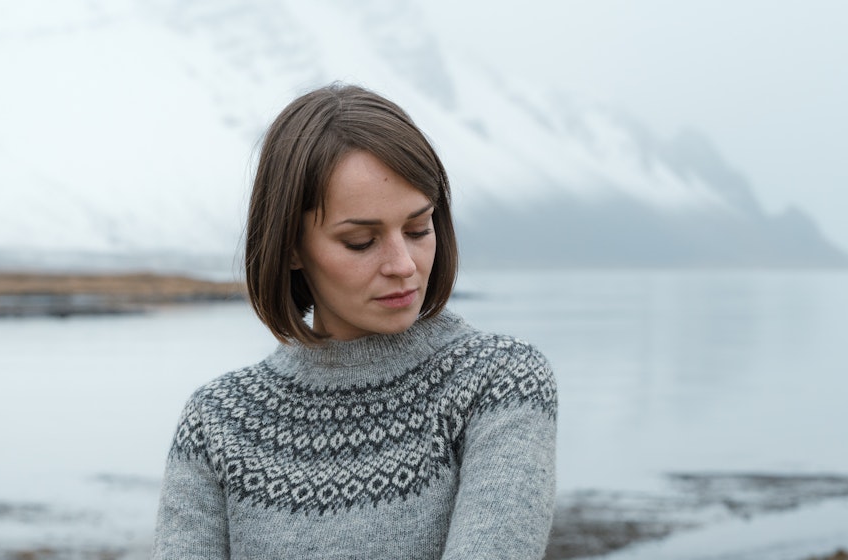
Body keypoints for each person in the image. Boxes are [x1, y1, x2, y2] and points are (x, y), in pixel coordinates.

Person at [151, 83, 557, 559]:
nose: (402, 264)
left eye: (418, 229)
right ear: (292, 247)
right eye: (361, 242)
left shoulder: (500, 383)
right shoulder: (217, 422)